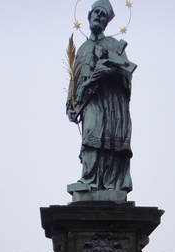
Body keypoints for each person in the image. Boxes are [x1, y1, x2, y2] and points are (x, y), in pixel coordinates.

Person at [67, 0, 136, 193]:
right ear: (89, 17)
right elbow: (74, 78)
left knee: (109, 138)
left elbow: (126, 73)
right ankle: (89, 179)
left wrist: (108, 71)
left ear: (107, 22)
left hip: (110, 101)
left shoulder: (114, 45)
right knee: (91, 132)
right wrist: (70, 105)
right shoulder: (81, 48)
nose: (98, 16)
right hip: (89, 100)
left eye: (102, 15)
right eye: (96, 13)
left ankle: (111, 183)